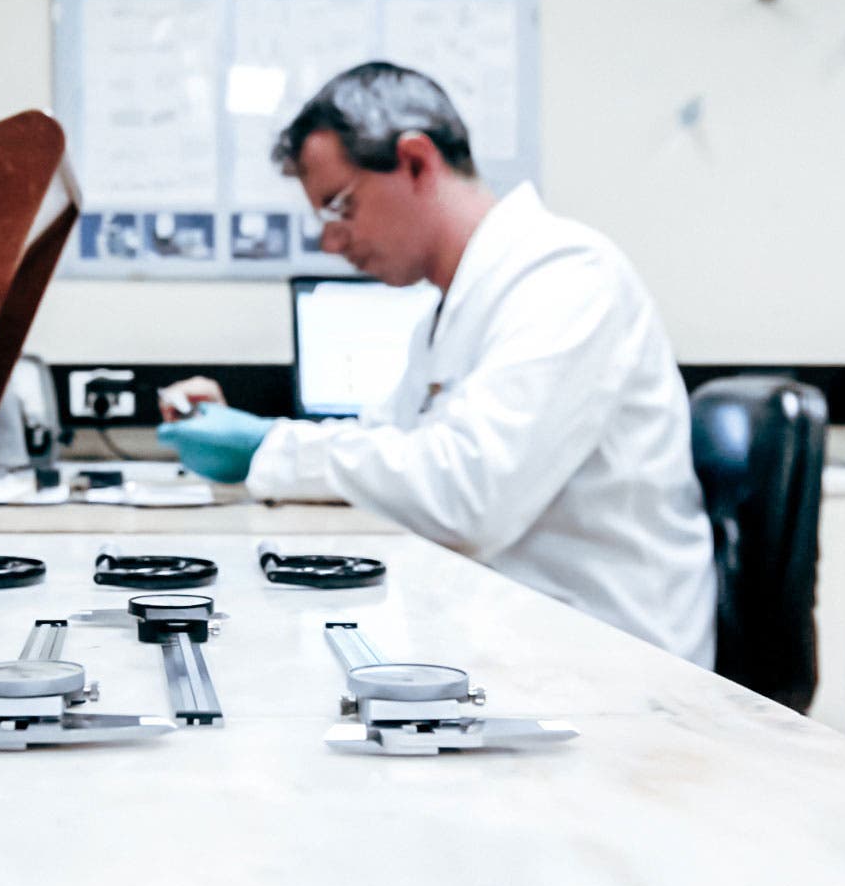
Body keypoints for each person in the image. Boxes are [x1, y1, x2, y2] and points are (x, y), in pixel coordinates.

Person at [156, 62, 717, 666]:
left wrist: (269, 446)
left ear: (417, 162)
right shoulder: (448, 310)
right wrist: (249, 431)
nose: (330, 242)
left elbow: (466, 497)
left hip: (614, 669)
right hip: (519, 644)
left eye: (338, 207)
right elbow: (389, 445)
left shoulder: (567, 277)